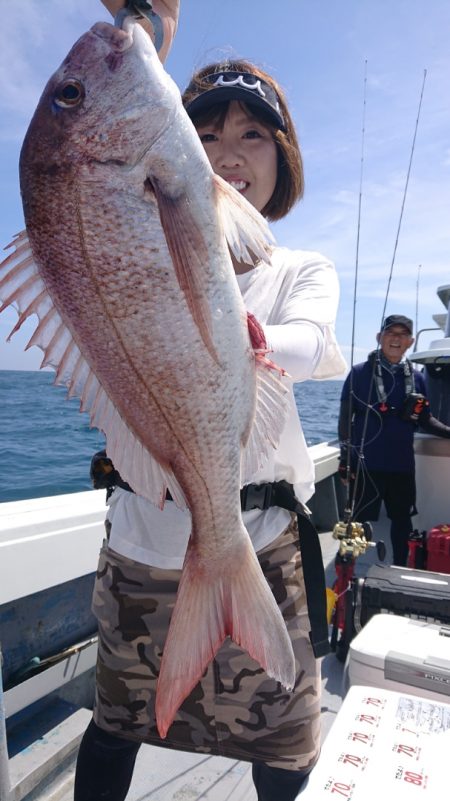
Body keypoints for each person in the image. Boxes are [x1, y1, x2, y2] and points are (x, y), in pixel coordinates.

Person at [74, 2, 346, 800]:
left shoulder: (300, 267)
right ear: (176, 147)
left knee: (282, 743)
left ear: (283, 158)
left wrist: (252, 335)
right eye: (210, 133)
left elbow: (310, 339)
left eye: (253, 135)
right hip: (141, 543)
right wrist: (145, 35)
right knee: (116, 722)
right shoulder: (135, 241)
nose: (229, 153)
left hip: (257, 540)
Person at [338, 314, 450, 566]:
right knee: (356, 522)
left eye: (402, 335)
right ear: (380, 338)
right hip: (366, 464)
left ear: (410, 342)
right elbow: (346, 418)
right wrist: (345, 458)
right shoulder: (358, 373)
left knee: (402, 520)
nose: (396, 339)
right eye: (391, 333)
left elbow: (426, 420)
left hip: (401, 465)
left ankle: (400, 566)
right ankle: (347, 567)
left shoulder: (418, 378)